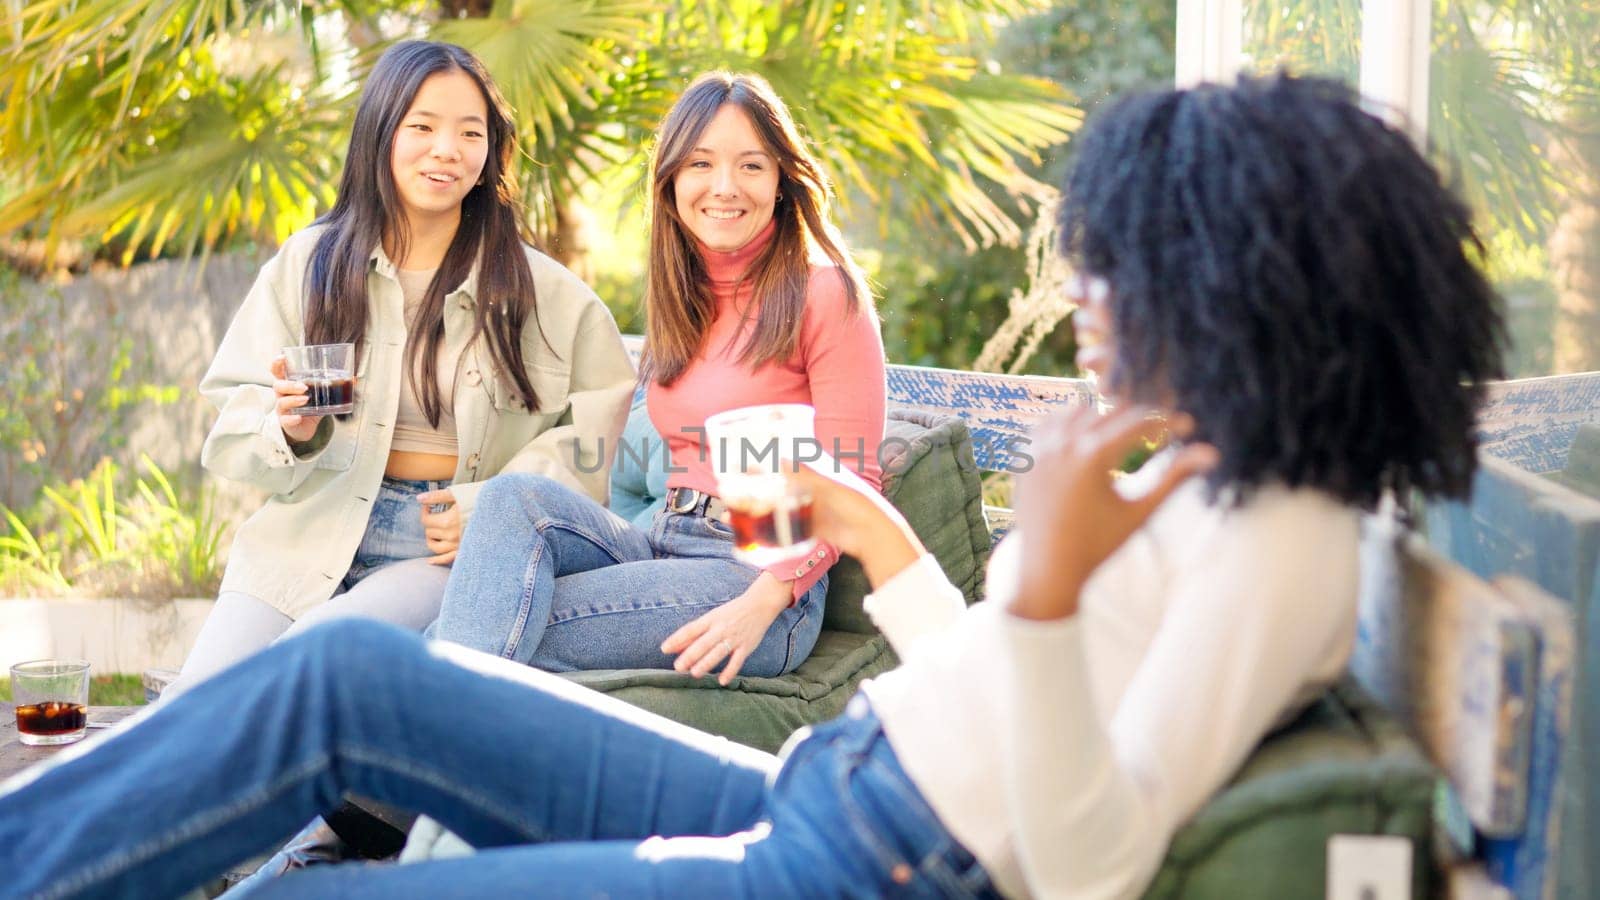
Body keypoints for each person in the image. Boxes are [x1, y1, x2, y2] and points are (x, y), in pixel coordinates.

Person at [0, 73, 1504, 899]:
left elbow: (1093, 866)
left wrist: (1038, 590)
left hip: (858, 866)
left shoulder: (1289, 543)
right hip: (816, 788)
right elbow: (1009, 682)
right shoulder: (1202, 474)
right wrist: (891, 545)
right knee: (339, 677)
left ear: (1249, 283)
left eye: (1123, 271)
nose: (1093, 297)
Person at [173, 41, 636, 692]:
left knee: (288, 681)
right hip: (308, 532)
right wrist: (291, 430)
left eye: (469, 133)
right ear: (380, 131)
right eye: (422, 126)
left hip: (440, 549)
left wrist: (493, 510)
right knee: (190, 708)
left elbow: (594, 432)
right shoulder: (309, 265)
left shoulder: (544, 291)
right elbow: (233, 421)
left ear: (489, 154)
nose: (446, 149)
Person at [425, 71, 886, 683]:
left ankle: (411, 741)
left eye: (751, 165)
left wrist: (765, 601)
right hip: (666, 541)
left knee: (486, 624)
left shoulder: (825, 294)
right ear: (670, 181)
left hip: (757, 579)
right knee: (514, 502)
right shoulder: (683, 296)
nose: (724, 187)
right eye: (700, 163)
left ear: (780, 181)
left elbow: (855, 477)